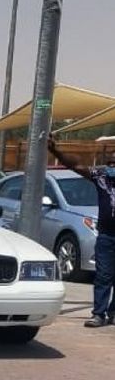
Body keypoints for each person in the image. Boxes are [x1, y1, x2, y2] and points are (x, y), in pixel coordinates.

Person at [49, 138, 115, 327]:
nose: (112, 167)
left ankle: (113, 312)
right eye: (110, 163)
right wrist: (56, 152)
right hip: (106, 236)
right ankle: (99, 314)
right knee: (103, 276)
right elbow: (75, 165)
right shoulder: (101, 176)